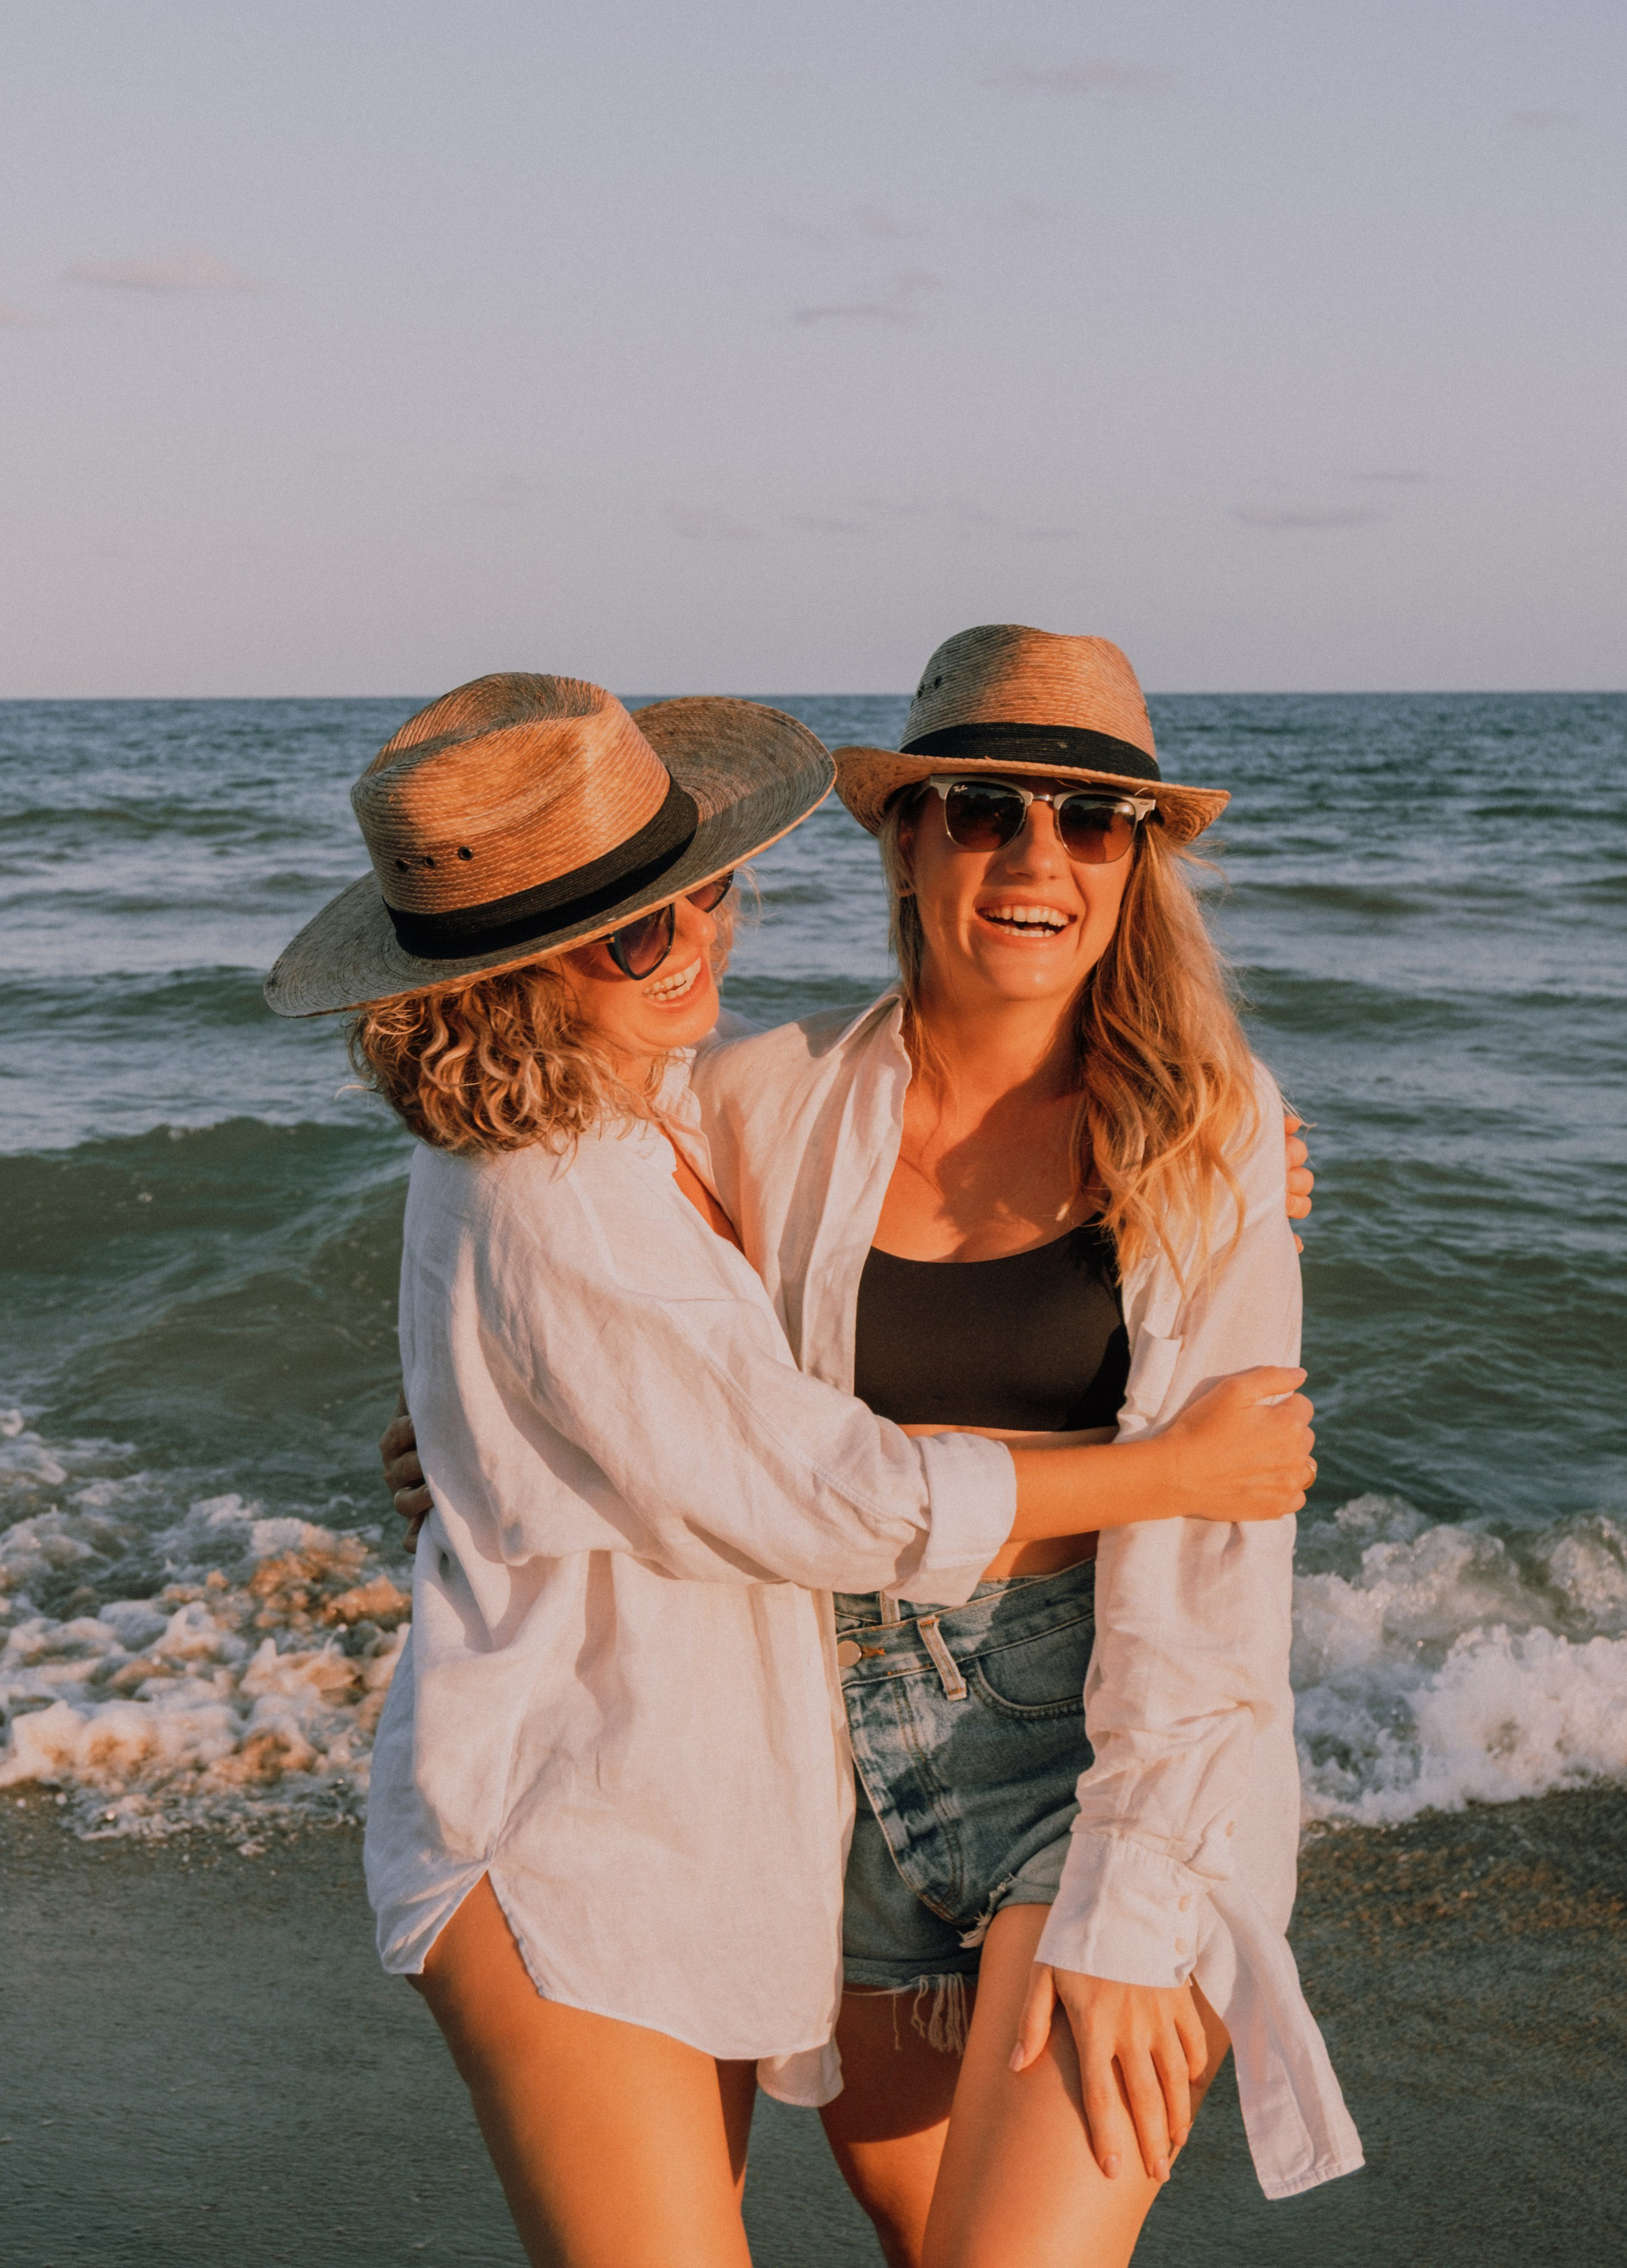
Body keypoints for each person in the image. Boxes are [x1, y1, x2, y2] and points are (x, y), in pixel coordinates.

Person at [269, 669, 1316, 2268]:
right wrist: (1161, 1468)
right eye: (979, 808)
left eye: (703, 894)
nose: (691, 947)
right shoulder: (704, 1124)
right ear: (903, 839)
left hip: (1031, 1757)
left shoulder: (1189, 1127)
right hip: (782, 1773)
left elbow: (1212, 1579)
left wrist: (1140, 1886)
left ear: (1135, 858)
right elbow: (770, 1461)